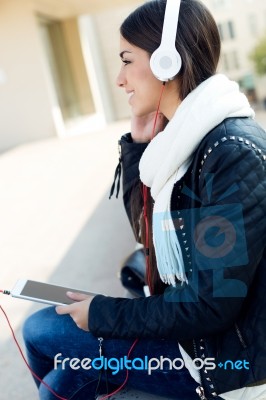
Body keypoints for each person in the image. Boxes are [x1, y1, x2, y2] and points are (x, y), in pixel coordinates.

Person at [23, 0, 266, 399]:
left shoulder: (229, 152)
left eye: (126, 60)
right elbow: (147, 234)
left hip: (223, 360)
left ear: (167, 62)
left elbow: (210, 304)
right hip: (195, 338)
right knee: (66, 380)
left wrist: (102, 313)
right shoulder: (179, 143)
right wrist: (138, 147)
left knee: (40, 330)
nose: (119, 79)